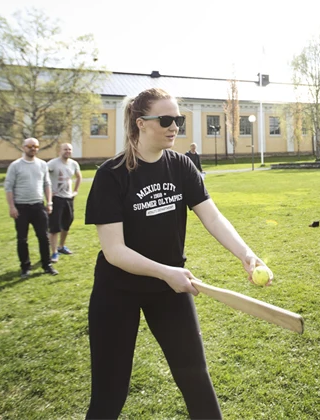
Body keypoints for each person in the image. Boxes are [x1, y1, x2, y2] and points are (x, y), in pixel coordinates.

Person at [84, 88, 270, 419]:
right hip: (117, 291)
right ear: (141, 123)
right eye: (166, 120)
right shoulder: (111, 175)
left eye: (179, 120)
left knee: (195, 377)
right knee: (110, 393)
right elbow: (114, 251)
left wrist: (245, 253)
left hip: (169, 290)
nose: (174, 127)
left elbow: (212, 216)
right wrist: (166, 272)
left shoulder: (181, 166)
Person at [4, 138, 57, 277]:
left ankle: (47, 265)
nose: (33, 148)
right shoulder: (15, 166)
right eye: (30, 146)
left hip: (38, 206)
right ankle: (25, 267)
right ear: (23, 147)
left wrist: (49, 202)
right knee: (22, 239)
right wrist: (12, 207)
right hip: (21, 207)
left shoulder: (42, 164)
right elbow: (8, 187)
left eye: (36, 146)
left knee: (43, 237)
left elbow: (47, 184)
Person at [47, 142, 82, 263]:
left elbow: (79, 177)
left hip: (68, 198)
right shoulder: (52, 163)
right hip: (56, 198)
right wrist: (48, 193)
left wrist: (75, 191)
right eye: (65, 149)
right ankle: (54, 252)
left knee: (67, 223)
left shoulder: (73, 164)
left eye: (69, 149)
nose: (67, 151)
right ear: (59, 151)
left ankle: (61, 246)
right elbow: (42, 176)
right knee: (54, 227)